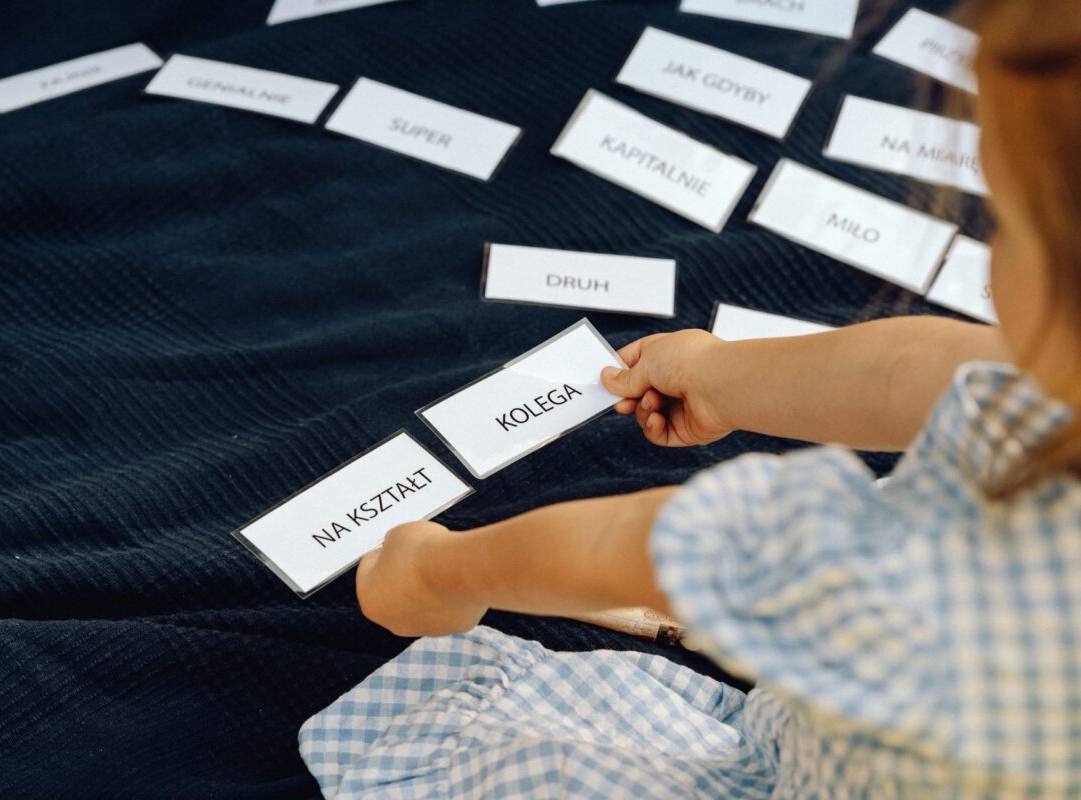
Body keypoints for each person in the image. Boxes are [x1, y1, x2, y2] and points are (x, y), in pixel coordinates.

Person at [301, 0, 1081, 795]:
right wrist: (724, 374)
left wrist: (441, 573)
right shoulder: (1059, 388)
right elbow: (932, 369)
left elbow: (644, 543)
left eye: (1005, 225)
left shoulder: (919, 571)